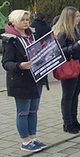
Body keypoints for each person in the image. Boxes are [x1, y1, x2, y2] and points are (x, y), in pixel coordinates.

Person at [2, 10, 48, 152]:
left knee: (34, 110)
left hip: (36, 78)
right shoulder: (10, 39)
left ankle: (33, 138)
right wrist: (19, 65)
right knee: (23, 111)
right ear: (14, 22)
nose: (26, 22)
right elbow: (6, 63)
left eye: (27, 19)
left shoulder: (32, 35)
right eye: (22, 20)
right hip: (20, 80)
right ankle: (25, 141)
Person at [52, 7, 80, 134]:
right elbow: (60, 51)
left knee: (75, 94)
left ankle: (74, 119)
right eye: (77, 16)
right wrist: (77, 46)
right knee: (68, 95)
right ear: (70, 18)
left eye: (79, 16)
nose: (79, 18)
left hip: (79, 64)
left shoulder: (76, 30)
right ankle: (67, 122)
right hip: (69, 66)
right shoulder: (62, 33)